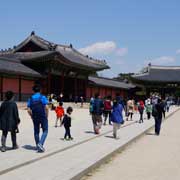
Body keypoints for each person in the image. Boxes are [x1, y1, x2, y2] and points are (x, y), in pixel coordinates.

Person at [27, 85, 49, 153]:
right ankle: (40, 144)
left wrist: (31, 116)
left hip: (35, 116)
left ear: (33, 91)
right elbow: (47, 107)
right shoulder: (42, 97)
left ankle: (37, 145)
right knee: (45, 130)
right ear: (40, 90)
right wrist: (47, 115)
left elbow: (28, 110)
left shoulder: (30, 98)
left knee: (36, 131)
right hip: (42, 116)